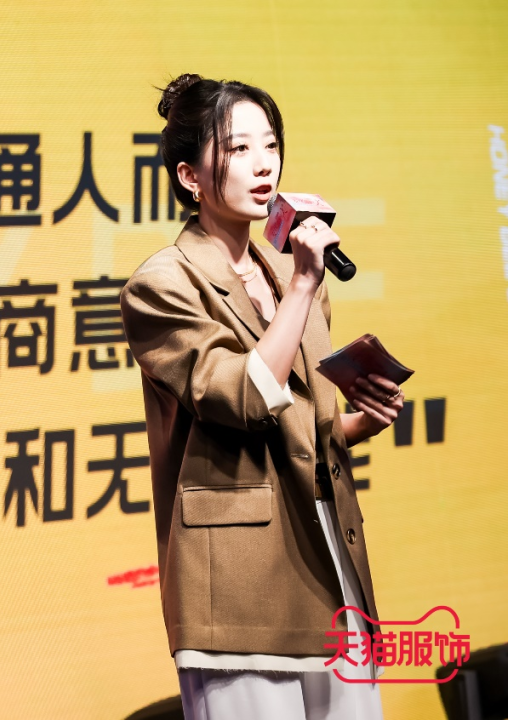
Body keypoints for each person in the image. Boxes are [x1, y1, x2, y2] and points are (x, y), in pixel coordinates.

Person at [119, 74, 406, 720]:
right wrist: (302, 285)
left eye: (270, 145)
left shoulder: (288, 271)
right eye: (239, 148)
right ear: (190, 177)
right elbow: (246, 400)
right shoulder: (163, 284)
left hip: (326, 552)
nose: (264, 164)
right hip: (239, 585)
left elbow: (299, 424)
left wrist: (358, 422)